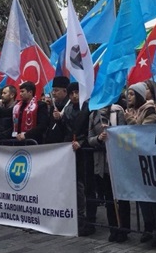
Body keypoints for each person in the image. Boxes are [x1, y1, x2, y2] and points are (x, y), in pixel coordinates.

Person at [125, 82, 156, 247]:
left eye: (131, 94)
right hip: (137, 160)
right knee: (142, 196)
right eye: (127, 94)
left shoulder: (149, 109)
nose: (128, 97)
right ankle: (149, 227)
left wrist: (130, 121)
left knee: (155, 197)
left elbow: (145, 133)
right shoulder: (132, 111)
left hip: (151, 159)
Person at [88, 102, 130, 243]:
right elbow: (90, 139)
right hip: (102, 164)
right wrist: (99, 139)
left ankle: (124, 229)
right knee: (109, 199)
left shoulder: (118, 112)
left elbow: (126, 134)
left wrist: (112, 133)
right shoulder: (93, 115)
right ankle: (113, 228)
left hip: (117, 161)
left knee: (121, 198)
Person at [61, 82, 94, 236]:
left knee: (85, 187)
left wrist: (81, 143)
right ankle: (77, 217)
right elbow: (66, 130)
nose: (74, 96)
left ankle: (88, 220)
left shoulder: (88, 107)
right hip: (71, 151)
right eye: (71, 93)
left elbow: (90, 130)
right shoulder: (67, 111)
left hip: (85, 151)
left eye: (77, 92)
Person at [45, 76, 70, 144]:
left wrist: (60, 118)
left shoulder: (70, 107)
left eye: (56, 90)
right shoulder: (53, 107)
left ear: (65, 91)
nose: (53, 93)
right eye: (53, 90)